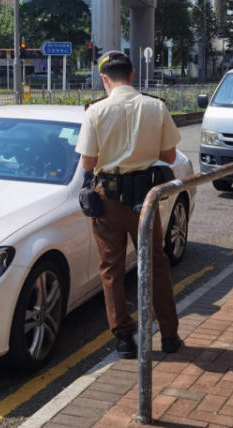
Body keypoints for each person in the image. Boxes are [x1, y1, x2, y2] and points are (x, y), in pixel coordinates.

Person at [74, 50, 183, 359]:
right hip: (145, 201)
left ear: (104, 79)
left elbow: (88, 162)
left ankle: (124, 339)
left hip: (108, 201)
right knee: (156, 266)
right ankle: (170, 336)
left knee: (111, 269)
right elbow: (171, 157)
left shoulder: (95, 111)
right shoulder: (156, 107)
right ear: (132, 75)